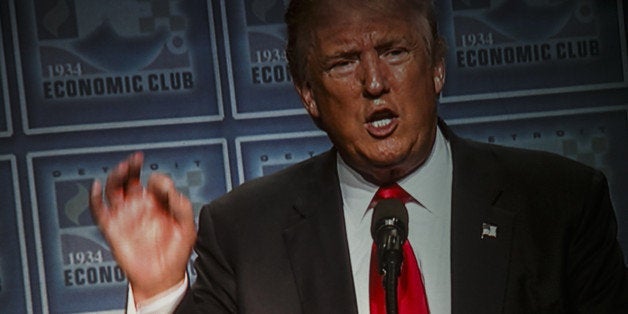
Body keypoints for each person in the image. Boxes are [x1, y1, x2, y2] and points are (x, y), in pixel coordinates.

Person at [90, 0, 628, 313]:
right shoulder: (243, 232)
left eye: (395, 52)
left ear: (437, 66)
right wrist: (159, 291)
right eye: (344, 63)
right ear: (307, 93)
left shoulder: (560, 205)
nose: (375, 82)